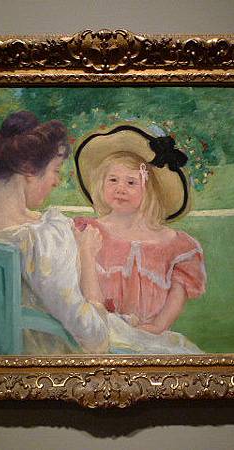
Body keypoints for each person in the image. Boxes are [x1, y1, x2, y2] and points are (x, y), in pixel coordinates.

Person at [0, 112, 201, 354]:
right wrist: (87, 255)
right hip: (45, 350)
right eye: (56, 170)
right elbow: (93, 336)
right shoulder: (45, 238)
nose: (57, 181)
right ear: (28, 171)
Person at [74, 125, 206, 335]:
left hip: (148, 336)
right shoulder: (89, 231)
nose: (120, 189)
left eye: (131, 182)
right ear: (101, 184)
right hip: (100, 332)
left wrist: (157, 327)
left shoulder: (176, 245)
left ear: (149, 189)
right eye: (113, 180)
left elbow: (177, 293)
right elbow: (85, 301)